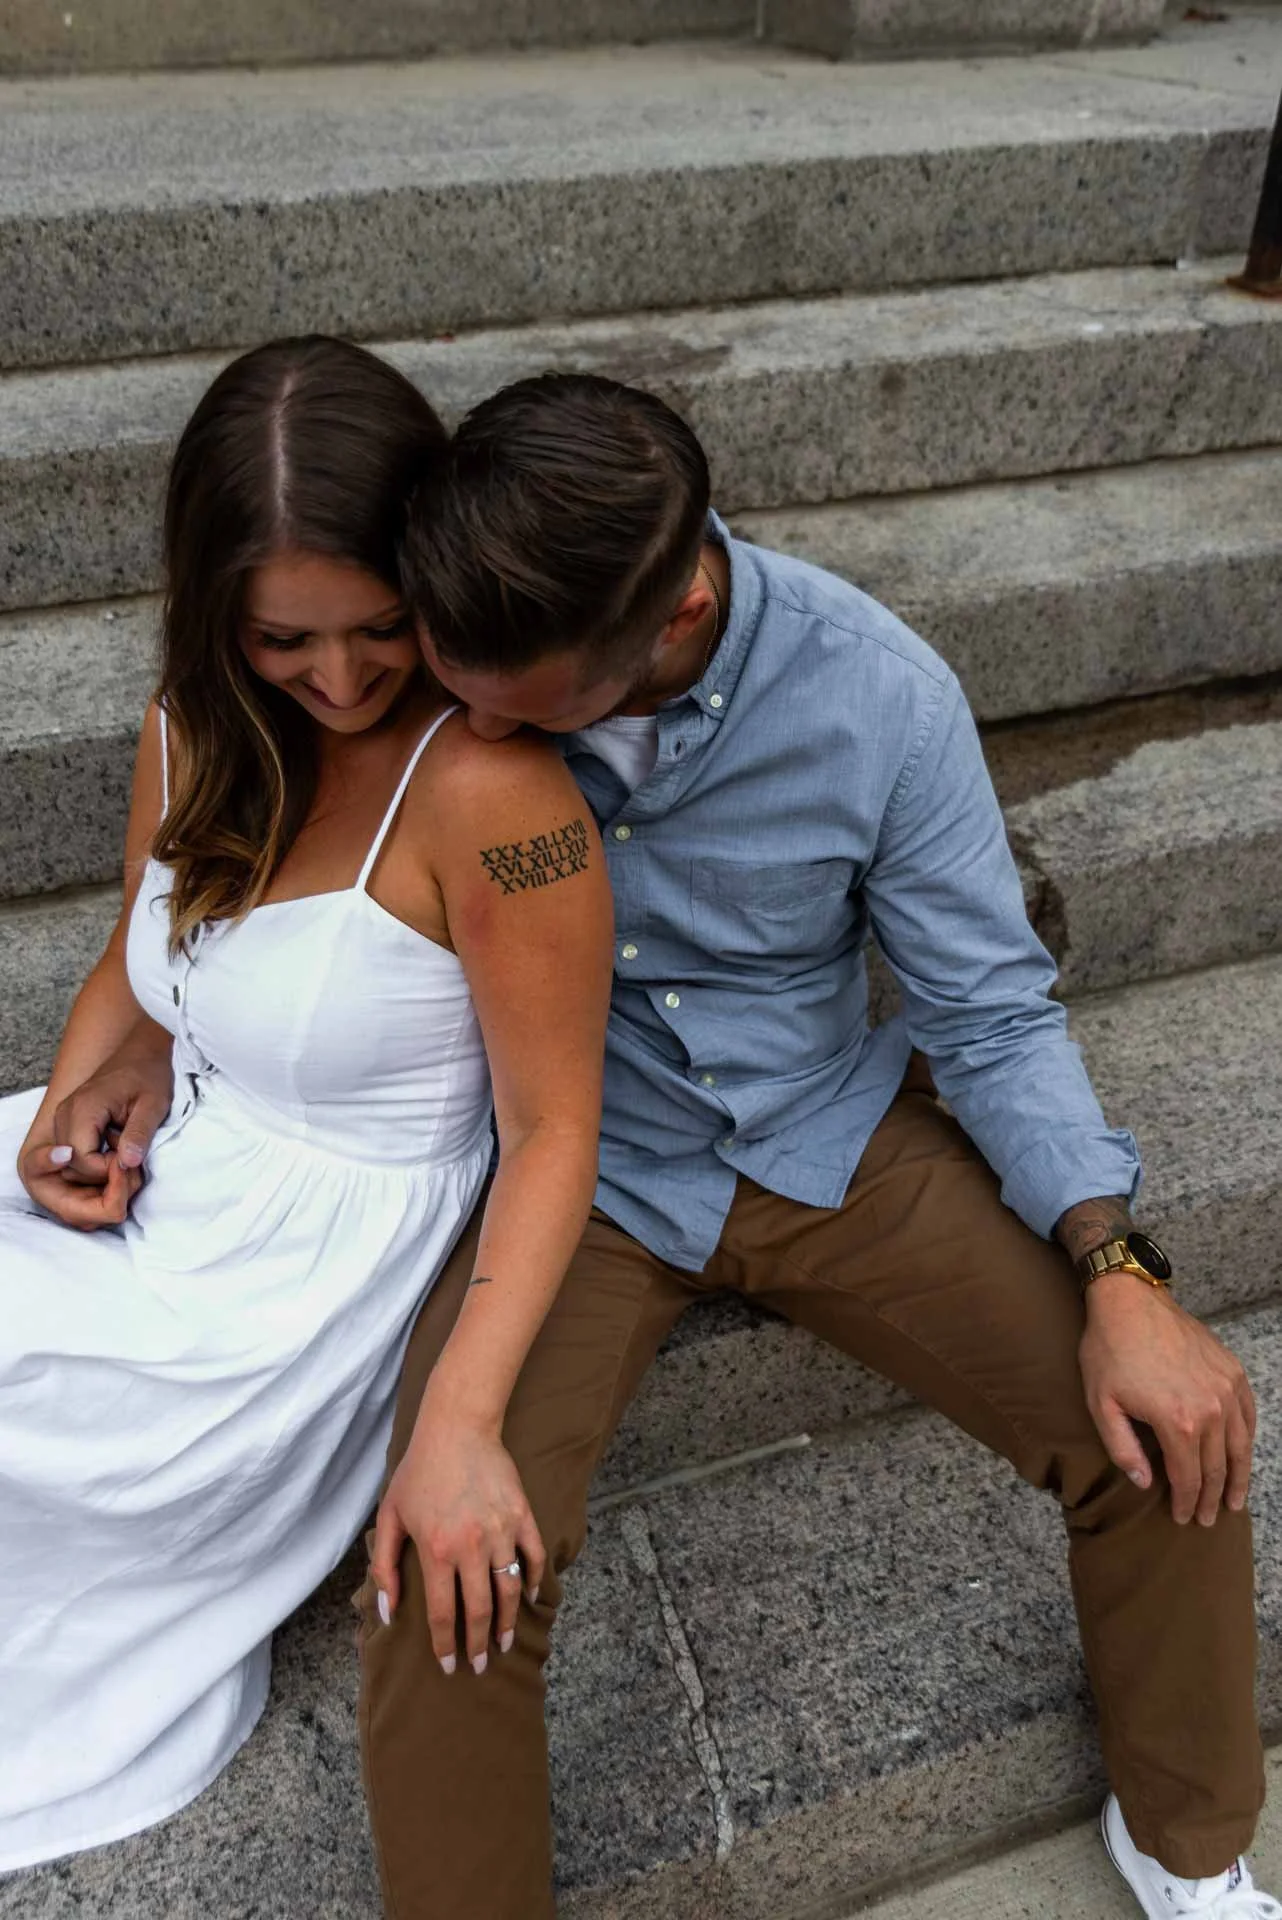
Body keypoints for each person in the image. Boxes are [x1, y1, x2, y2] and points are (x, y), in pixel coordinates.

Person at [357, 372, 1269, 1920]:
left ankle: (1185, 1845)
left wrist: (1117, 1268)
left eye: (529, 709)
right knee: (443, 1567)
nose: (480, 730)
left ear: (678, 610)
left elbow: (986, 1010)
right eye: (465, 694)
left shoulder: (877, 693)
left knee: (1169, 1432)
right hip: (579, 1175)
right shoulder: (451, 658)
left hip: (824, 1137)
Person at [0, 339, 612, 1874]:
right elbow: (144, 952)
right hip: (180, 1161)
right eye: (284, 638)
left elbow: (553, 1130)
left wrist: (460, 1415)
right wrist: (91, 1083)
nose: (338, 680)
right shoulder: (193, 720)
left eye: (380, 627)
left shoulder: (499, 804)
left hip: (294, 1287)